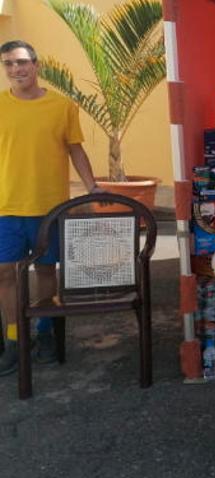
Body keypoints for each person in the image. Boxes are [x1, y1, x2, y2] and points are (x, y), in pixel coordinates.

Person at [0, 40, 102, 377]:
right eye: (9, 65)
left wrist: (93, 188)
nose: (16, 70)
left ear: (36, 64)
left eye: (22, 62)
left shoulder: (62, 106)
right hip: (6, 207)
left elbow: (75, 150)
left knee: (46, 271)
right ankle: (15, 339)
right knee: (6, 273)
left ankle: (44, 331)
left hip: (50, 208)